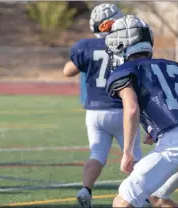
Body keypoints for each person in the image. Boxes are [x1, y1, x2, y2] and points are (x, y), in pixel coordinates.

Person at [105, 15, 178, 207]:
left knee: (123, 201)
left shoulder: (126, 69)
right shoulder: (171, 66)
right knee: (158, 199)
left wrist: (128, 152)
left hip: (175, 145)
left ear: (121, 43)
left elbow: (131, 109)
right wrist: (155, 129)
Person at [63, 4, 142, 207]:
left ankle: (85, 189)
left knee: (97, 154)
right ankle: (144, 195)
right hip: (122, 109)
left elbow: (68, 71)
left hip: (95, 112)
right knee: (135, 157)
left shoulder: (86, 47)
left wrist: (85, 62)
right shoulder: (126, 44)